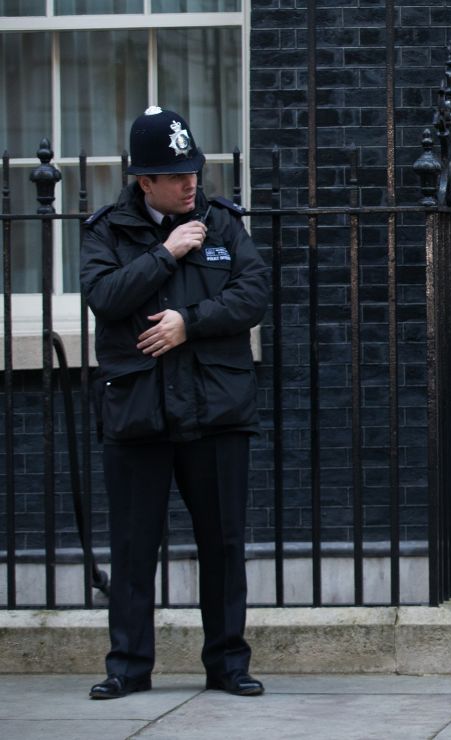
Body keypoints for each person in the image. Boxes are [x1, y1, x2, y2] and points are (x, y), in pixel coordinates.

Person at [81, 106, 269, 699]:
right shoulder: (107, 229)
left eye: (194, 170)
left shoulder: (223, 223)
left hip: (216, 410)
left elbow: (254, 292)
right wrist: (166, 253)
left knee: (223, 544)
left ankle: (228, 665)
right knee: (134, 548)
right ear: (145, 181)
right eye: (176, 174)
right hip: (139, 411)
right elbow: (103, 297)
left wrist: (190, 322)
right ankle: (128, 668)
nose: (191, 182)